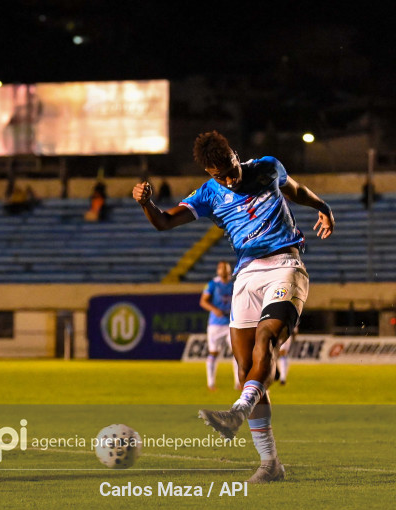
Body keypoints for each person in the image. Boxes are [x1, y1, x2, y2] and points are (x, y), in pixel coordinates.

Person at [132, 130, 334, 483]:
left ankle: (237, 412)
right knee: (245, 370)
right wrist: (145, 204)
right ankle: (271, 464)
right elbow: (164, 222)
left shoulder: (267, 167)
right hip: (246, 278)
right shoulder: (209, 194)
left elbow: (296, 190)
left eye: (230, 168)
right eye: (219, 174)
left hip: (285, 265)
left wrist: (323, 207)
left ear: (235, 154)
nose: (228, 177)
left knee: (267, 341)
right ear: (210, 174)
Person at [199, 260, 240, 391]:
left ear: (229, 270)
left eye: (225, 267)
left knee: (237, 352)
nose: (223, 270)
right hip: (215, 324)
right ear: (218, 271)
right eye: (220, 268)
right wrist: (214, 309)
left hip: (231, 324)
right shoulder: (213, 284)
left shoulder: (235, 284)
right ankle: (211, 383)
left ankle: (238, 382)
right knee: (213, 353)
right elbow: (203, 302)